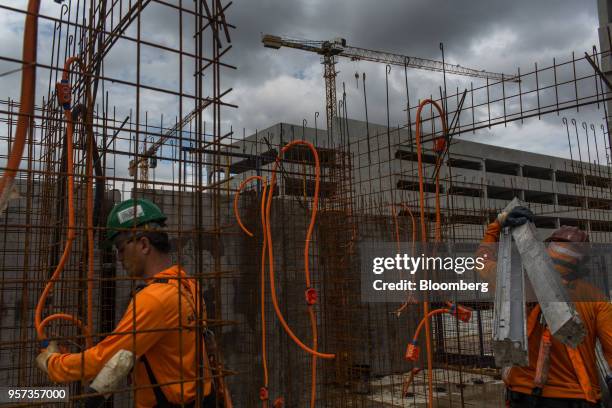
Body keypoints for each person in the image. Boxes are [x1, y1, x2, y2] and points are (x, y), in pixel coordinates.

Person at [36, 198, 215, 408]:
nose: (119, 257)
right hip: (202, 398)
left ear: (144, 244)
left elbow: (105, 358)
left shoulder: (153, 299)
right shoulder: (187, 284)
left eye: (120, 248)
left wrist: (54, 363)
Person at [476, 205, 612, 408]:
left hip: (522, 394)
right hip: (575, 397)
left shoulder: (520, 283)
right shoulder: (597, 299)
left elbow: (480, 263)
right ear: (583, 262)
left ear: (547, 251)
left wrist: (498, 224)